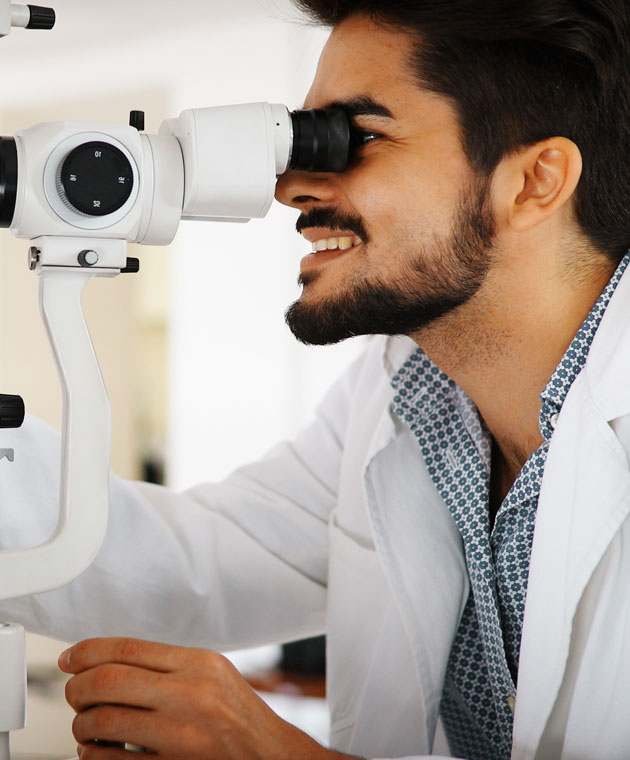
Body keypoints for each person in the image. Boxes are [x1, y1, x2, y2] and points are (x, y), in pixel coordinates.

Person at [3, 1, 630, 758]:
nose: (291, 188)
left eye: (357, 136)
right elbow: (190, 566)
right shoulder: (409, 396)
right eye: (307, 136)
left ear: (535, 181)